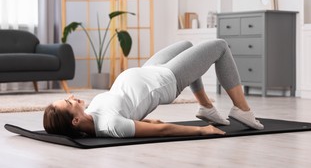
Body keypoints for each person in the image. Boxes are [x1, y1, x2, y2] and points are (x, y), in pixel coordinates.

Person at [43, 39, 264, 138]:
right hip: (166, 80)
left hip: (150, 70)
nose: (72, 96)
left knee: (186, 45)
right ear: (74, 120)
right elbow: (163, 130)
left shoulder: (91, 113)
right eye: (69, 102)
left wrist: (146, 121)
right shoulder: (111, 125)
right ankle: (241, 109)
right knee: (220, 46)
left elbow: (134, 113)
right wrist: (202, 130)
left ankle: (206, 107)